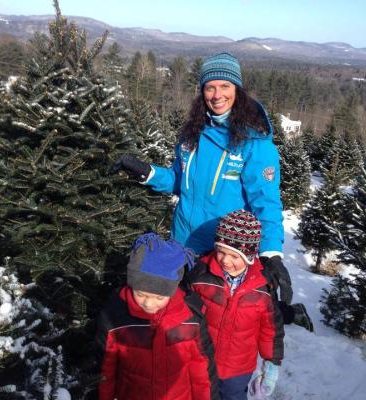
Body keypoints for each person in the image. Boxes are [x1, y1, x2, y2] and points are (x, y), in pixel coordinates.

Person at [112, 52, 313, 332]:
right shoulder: (192, 134)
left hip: (221, 252)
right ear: (202, 91)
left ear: (238, 90)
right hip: (183, 244)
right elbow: (178, 181)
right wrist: (147, 172)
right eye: (210, 87)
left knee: (228, 320)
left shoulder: (254, 142)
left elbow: (265, 203)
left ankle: (290, 313)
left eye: (225, 86)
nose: (217, 94)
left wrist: (271, 253)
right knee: (185, 316)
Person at [96, 232, 220, 400]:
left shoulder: (190, 318)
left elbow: (202, 368)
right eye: (140, 294)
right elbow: (106, 369)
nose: (148, 303)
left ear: (172, 292)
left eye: (159, 297)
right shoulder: (116, 318)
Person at [187, 210, 284, 400]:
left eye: (234, 256)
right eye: (221, 252)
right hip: (201, 361)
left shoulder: (262, 287)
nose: (224, 260)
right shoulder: (201, 277)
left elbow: (270, 328)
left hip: (237, 369)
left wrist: (272, 362)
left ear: (248, 256)